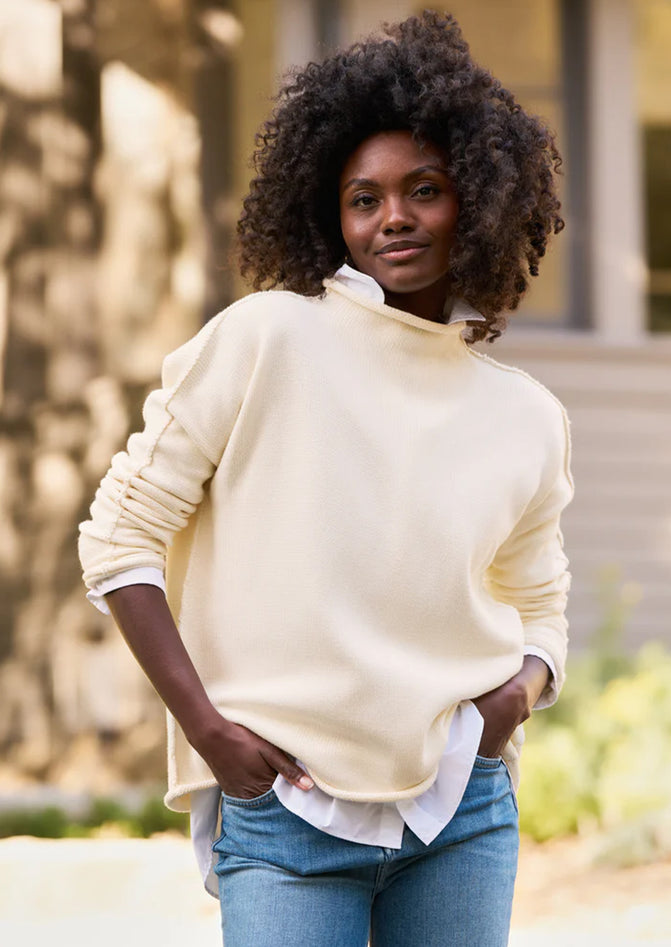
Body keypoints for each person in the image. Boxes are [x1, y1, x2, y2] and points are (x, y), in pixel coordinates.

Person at [79, 11, 573, 947]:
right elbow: (117, 538)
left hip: (459, 817)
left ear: (476, 198)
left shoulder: (525, 414)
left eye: (423, 190)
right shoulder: (267, 337)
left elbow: (538, 594)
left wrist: (516, 696)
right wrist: (211, 733)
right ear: (328, 215)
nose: (393, 216)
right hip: (286, 810)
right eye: (363, 198)